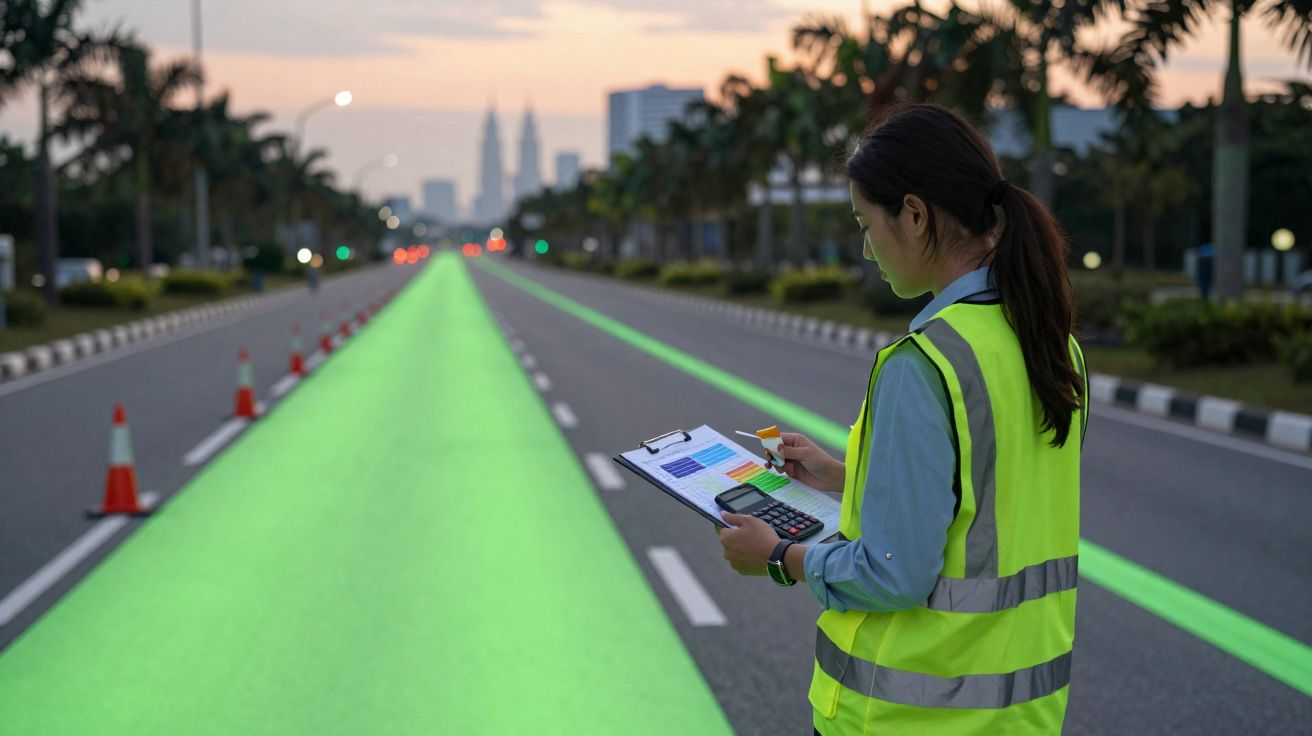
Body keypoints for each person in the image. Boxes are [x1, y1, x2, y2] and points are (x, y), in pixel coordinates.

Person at [716, 102, 1088, 735]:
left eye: (867, 223)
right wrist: (839, 476)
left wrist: (780, 555)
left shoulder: (926, 363)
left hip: (906, 718)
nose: (866, 248)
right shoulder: (1051, 343)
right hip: (1019, 717)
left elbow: (894, 573)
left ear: (914, 216)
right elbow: (986, 501)